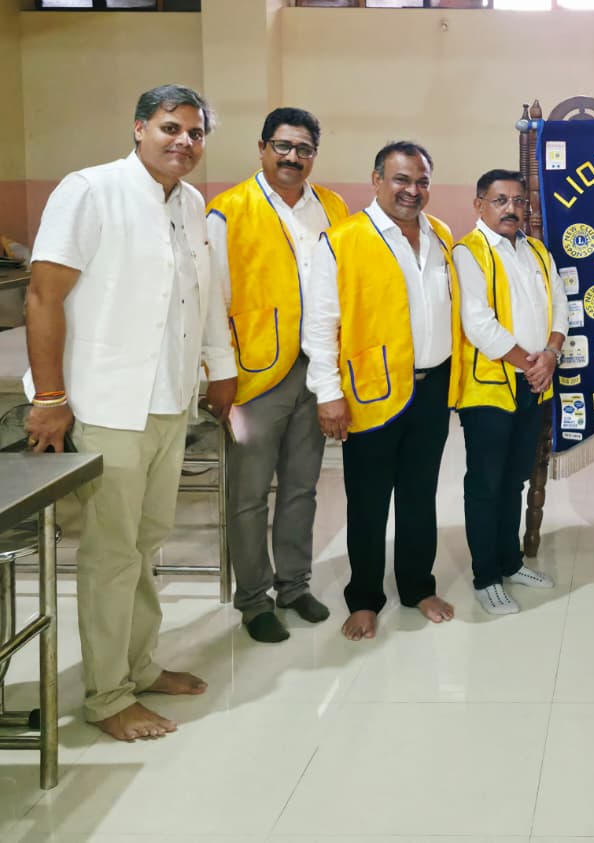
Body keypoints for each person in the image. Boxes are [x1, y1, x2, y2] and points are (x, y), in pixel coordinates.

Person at [23, 84, 236, 741]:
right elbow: (42, 296)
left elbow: (197, 300)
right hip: (109, 403)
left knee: (147, 544)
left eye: (196, 133)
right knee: (112, 553)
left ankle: (139, 663)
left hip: (170, 401)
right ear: (139, 127)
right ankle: (107, 695)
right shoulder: (89, 191)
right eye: (171, 127)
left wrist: (216, 371)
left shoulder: (192, 204)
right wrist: (51, 397)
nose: (184, 142)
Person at [302, 141, 460, 642]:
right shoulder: (342, 240)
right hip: (370, 391)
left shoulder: (441, 235)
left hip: (431, 389)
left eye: (421, 181)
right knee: (368, 502)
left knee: (420, 497)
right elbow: (321, 324)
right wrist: (328, 393)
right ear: (376, 180)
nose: (412, 191)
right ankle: (365, 597)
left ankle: (418, 587)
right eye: (401, 180)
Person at [207, 107, 349, 643]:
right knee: (247, 494)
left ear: (314, 154)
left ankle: (294, 585)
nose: (293, 157)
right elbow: (212, 302)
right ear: (263, 148)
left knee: (301, 487)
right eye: (283, 146)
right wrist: (219, 375)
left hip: (315, 372)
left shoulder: (332, 208)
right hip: (251, 380)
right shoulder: (228, 211)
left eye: (304, 149)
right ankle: (253, 600)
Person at [452, 169, 565, 615]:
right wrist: (531, 363)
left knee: (516, 478)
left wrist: (551, 355)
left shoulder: (536, 251)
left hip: (533, 384)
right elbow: (477, 323)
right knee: (485, 483)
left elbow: (561, 305)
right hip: (489, 388)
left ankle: (511, 561)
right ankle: (485, 578)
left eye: (519, 201)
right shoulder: (469, 251)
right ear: (479, 204)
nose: (512, 209)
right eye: (500, 200)